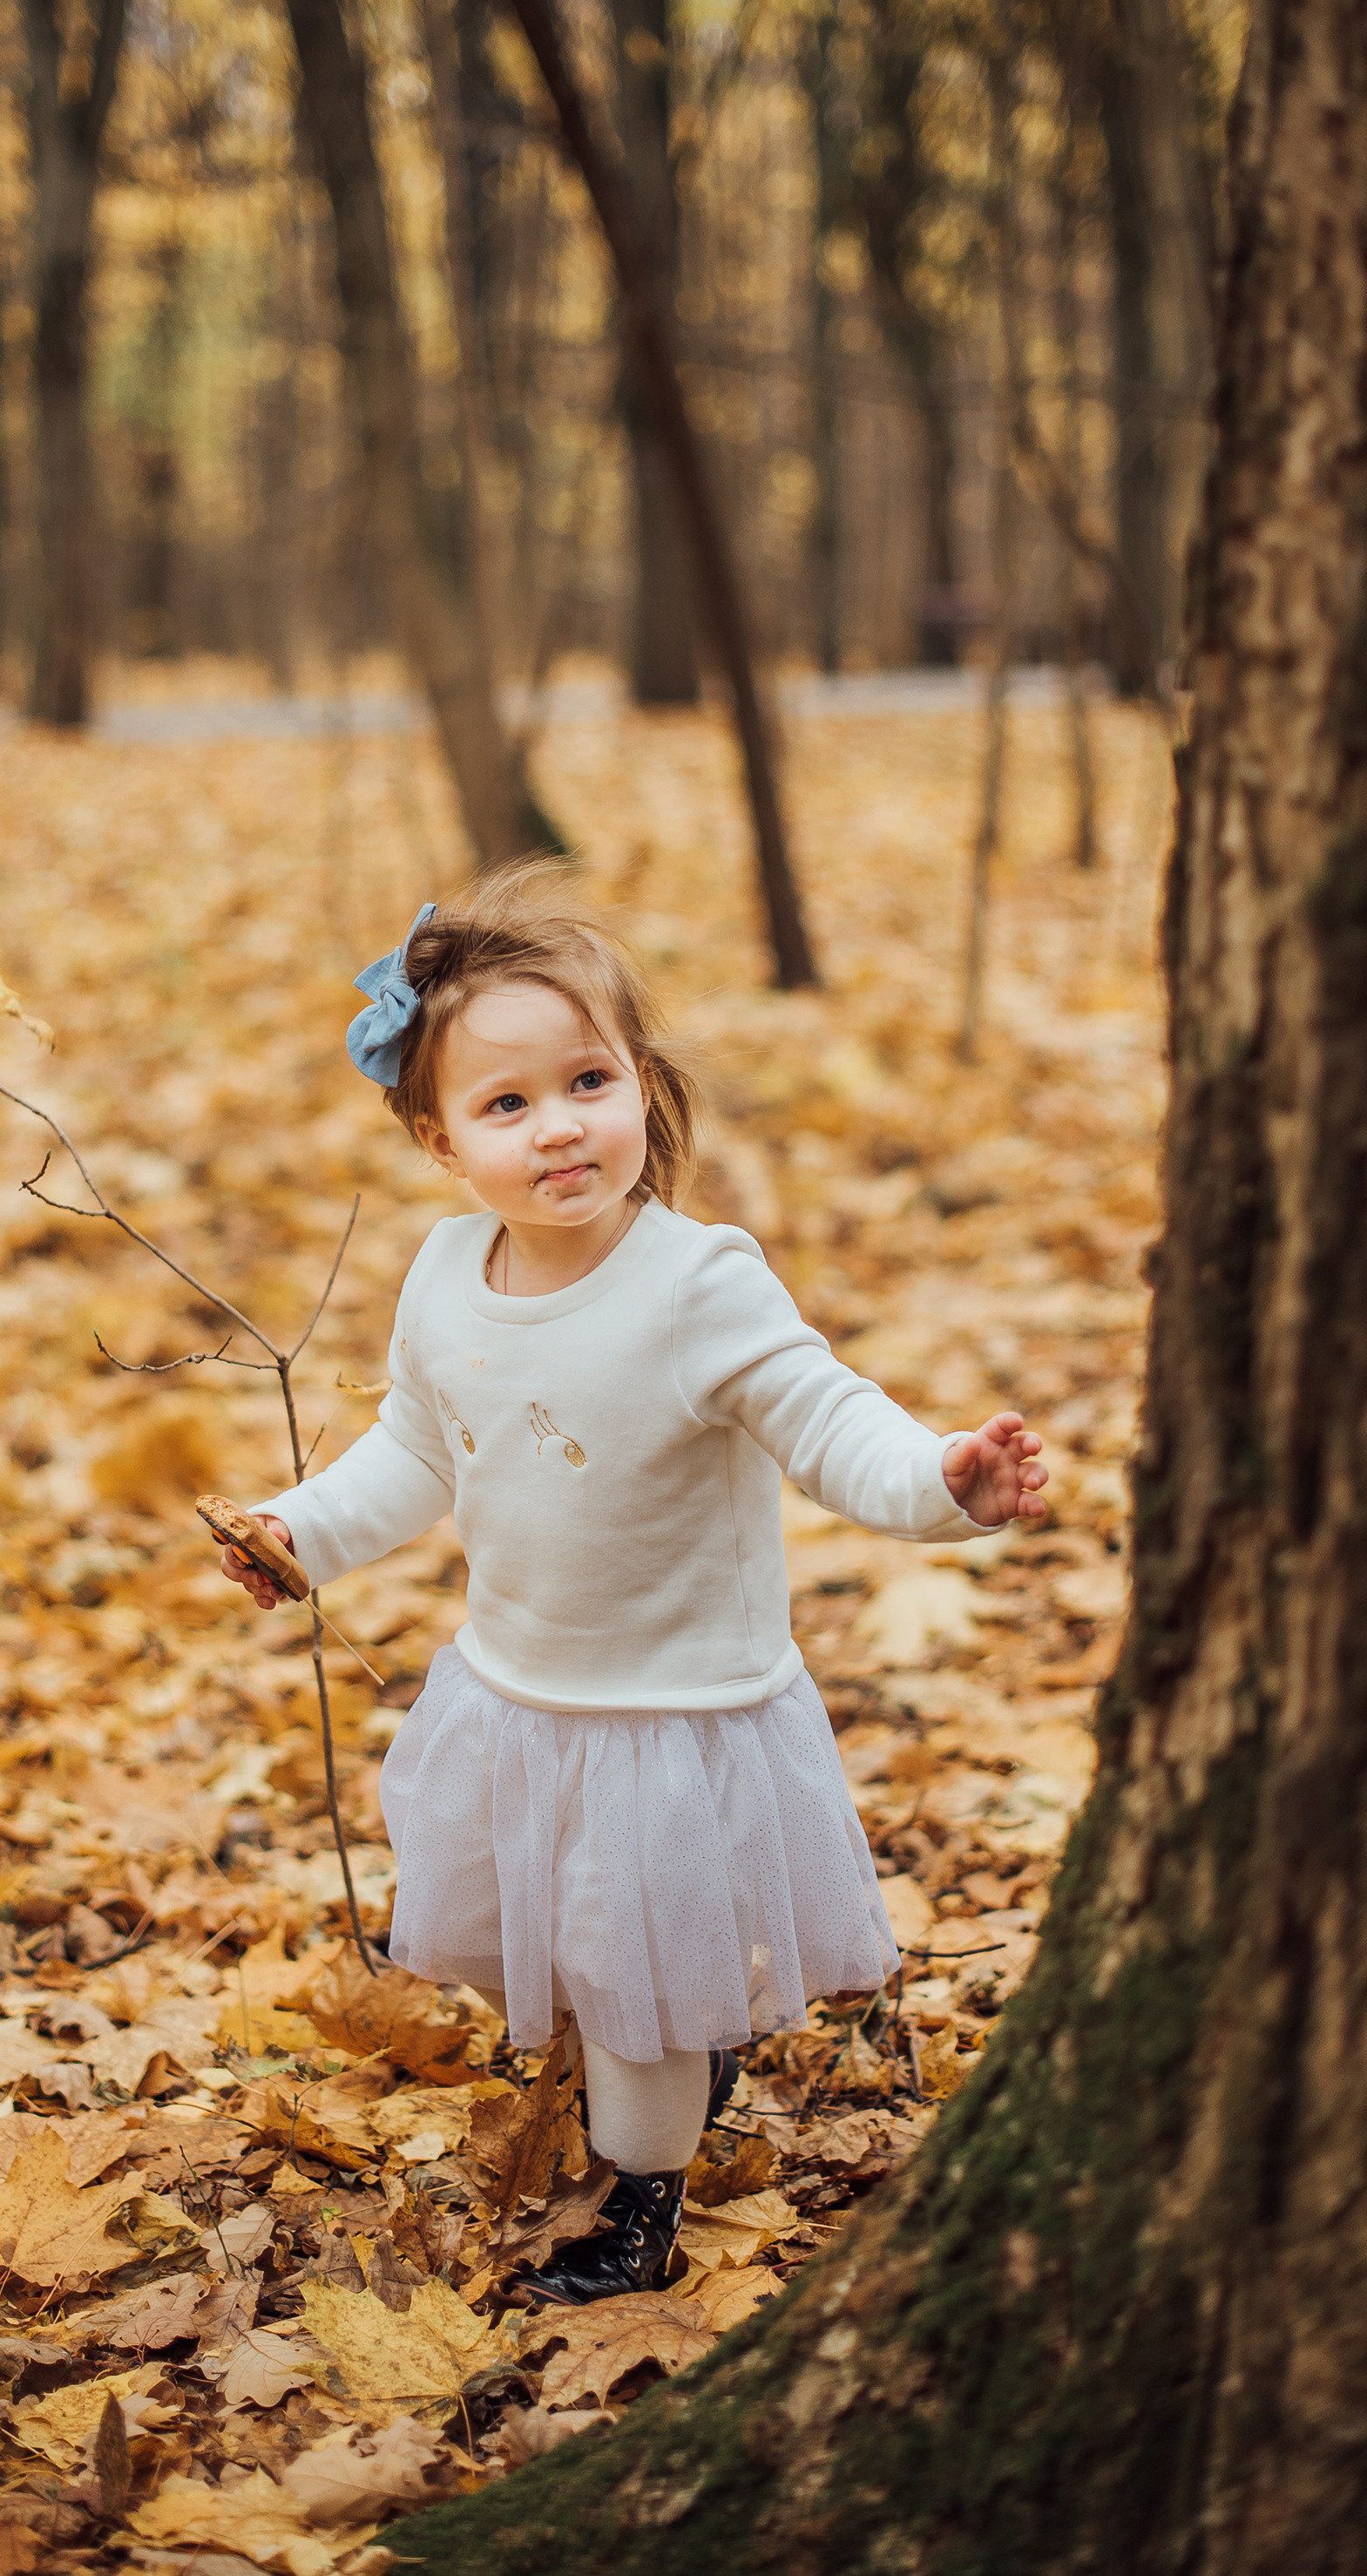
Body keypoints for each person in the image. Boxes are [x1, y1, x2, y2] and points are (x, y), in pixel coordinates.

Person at [220, 871, 1047, 2306]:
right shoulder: (444, 1275)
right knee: (502, 1935)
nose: (558, 1128)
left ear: (642, 1088)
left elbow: (824, 1412)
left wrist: (940, 1480)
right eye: (507, 1105)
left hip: (671, 1716)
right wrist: (303, 1531)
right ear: (438, 1142)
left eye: (588, 1081)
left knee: (631, 1988)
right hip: (516, 1693)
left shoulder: (696, 1283)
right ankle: (657, 2065)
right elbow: (418, 1448)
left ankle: (638, 2210)